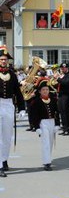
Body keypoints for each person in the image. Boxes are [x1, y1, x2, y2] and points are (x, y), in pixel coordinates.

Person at [0, 47, 26, 177]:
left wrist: (22, 108)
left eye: (5, 59)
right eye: (2, 59)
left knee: (7, 135)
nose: (4, 61)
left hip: (9, 104)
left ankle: (4, 159)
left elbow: (18, 92)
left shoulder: (12, 74)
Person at [30, 78, 61, 171]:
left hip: (52, 122)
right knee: (45, 143)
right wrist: (36, 127)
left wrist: (57, 124)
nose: (45, 91)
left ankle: (48, 159)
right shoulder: (36, 101)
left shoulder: (53, 100)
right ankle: (46, 162)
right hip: (43, 123)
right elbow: (33, 115)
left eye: (47, 89)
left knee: (50, 142)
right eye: (43, 90)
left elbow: (56, 112)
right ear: (39, 91)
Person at [56, 62, 69, 136]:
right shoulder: (63, 76)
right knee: (62, 113)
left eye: (63, 68)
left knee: (67, 113)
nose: (62, 69)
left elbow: (65, 83)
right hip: (61, 96)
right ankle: (64, 128)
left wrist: (57, 78)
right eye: (61, 68)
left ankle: (68, 130)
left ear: (67, 68)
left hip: (66, 96)